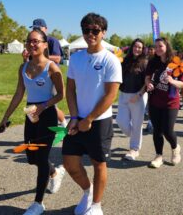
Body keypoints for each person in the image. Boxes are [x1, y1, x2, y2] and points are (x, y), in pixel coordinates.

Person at [0, 28, 65, 214]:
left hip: (48, 115)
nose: (32, 44)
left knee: (41, 158)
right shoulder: (24, 67)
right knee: (32, 158)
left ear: (44, 45)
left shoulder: (52, 67)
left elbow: (61, 95)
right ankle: (55, 172)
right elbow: (19, 93)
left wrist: (44, 106)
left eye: (36, 41)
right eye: (29, 41)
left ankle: (38, 203)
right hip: (31, 115)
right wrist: (5, 118)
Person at [62, 13, 122, 215]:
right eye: (86, 30)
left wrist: (89, 118)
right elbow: (70, 90)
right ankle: (87, 192)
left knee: (99, 164)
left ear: (103, 32)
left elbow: (110, 95)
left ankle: (96, 205)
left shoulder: (110, 60)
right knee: (69, 163)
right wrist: (75, 116)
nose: (90, 34)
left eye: (95, 30)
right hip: (78, 119)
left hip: (99, 122)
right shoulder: (76, 58)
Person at [145, 37, 183, 168]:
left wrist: (172, 81)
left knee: (168, 131)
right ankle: (159, 156)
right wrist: (149, 84)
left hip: (171, 102)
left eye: (160, 46)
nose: (157, 49)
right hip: (155, 101)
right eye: (156, 46)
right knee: (157, 130)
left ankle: (175, 148)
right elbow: (147, 78)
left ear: (167, 46)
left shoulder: (177, 62)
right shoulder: (153, 62)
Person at [23, 18, 68, 128]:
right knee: (36, 107)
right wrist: (26, 59)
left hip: (50, 77)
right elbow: (28, 63)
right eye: (34, 28)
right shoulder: (32, 43)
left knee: (52, 106)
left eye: (39, 28)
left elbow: (58, 58)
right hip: (35, 75)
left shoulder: (52, 41)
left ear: (46, 29)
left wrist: (41, 57)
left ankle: (64, 126)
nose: (36, 30)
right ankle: (37, 131)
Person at [116, 38, 148, 160]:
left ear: (142, 49)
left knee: (137, 124)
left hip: (138, 96)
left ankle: (134, 149)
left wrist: (139, 95)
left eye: (140, 47)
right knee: (120, 121)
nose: (137, 49)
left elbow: (147, 81)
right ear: (131, 47)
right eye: (135, 46)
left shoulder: (145, 62)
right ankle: (135, 136)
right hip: (123, 94)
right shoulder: (125, 60)